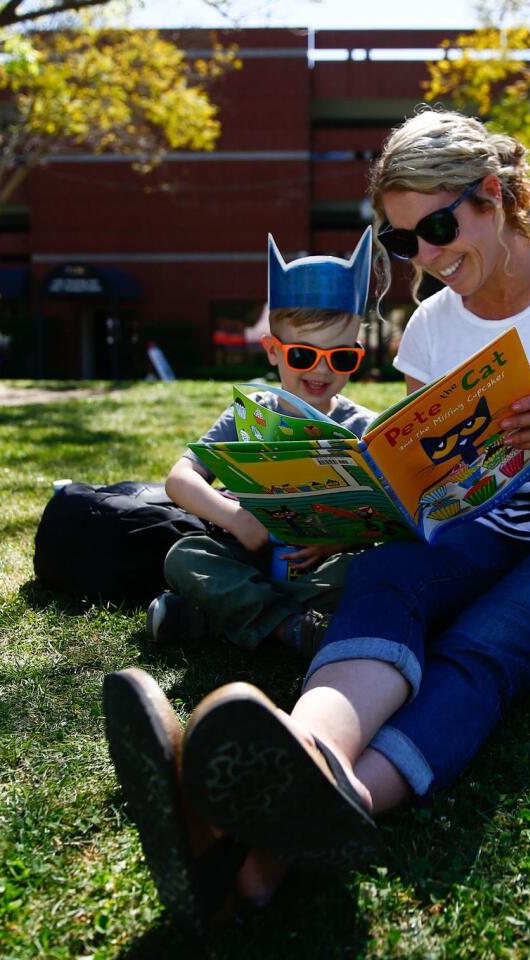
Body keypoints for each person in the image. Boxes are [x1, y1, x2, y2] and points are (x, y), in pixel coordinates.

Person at [103, 109, 530, 925]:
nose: (430, 257)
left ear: (496, 196)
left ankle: (293, 822)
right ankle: (303, 758)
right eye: (406, 242)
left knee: (490, 642)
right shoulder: (432, 327)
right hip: (482, 530)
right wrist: (344, 510)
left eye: (439, 228)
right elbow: (416, 475)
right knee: (382, 576)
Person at [148, 229, 378, 655]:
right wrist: (235, 518)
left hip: (320, 562)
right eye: (303, 355)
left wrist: (338, 542)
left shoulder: (365, 426)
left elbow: (389, 514)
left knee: (375, 570)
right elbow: (180, 479)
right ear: (273, 351)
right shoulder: (250, 412)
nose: (321, 370)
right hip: (246, 550)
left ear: (357, 355)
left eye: (341, 357)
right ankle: (288, 625)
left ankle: (219, 617)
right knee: (184, 557)